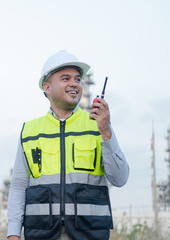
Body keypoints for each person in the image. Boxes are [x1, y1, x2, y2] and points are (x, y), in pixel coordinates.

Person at [7, 50, 129, 240]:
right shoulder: (30, 131)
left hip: (90, 234)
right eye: (66, 78)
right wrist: (13, 233)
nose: (74, 84)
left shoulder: (98, 125)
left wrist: (106, 132)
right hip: (41, 233)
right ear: (47, 87)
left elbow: (120, 179)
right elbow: (18, 186)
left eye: (78, 79)